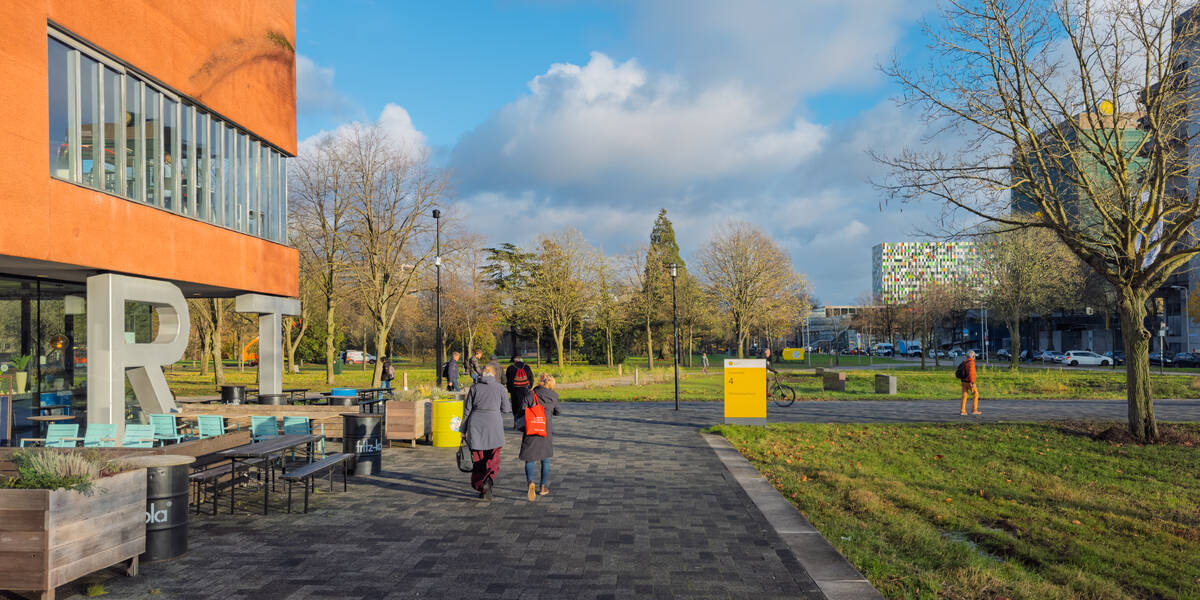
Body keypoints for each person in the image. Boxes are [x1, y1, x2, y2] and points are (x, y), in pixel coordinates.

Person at [461, 364, 511, 499]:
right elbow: (506, 409)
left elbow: (467, 411)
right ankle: (489, 478)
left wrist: (462, 429)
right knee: (494, 456)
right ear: (494, 375)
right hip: (494, 424)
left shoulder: (474, 388)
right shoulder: (500, 388)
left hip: (476, 425)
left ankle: (481, 485)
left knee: (478, 458)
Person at [520, 373, 561, 501]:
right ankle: (543, 487)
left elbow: (522, 410)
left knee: (530, 459)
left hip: (531, 429)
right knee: (545, 459)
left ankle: (530, 482)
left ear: (539, 382)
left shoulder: (530, 394)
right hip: (545, 430)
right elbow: (558, 411)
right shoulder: (553, 396)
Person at [505, 355, 535, 429]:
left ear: (514, 361)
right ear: (521, 360)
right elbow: (531, 379)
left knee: (515, 407)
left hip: (515, 391)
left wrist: (510, 390)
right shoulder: (527, 367)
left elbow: (508, 381)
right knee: (525, 407)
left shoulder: (510, 368)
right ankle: (525, 424)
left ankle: (516, 423)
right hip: (525, 390)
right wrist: (529, 387)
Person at [958, 350, 980, 415]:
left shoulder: (964, 362)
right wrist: (972, 382)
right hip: (969, 382)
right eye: (974, 356)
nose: (974, 357)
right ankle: (974, 410)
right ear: (973, 356)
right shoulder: (971, 362)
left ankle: (963, 411)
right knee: (975, 394)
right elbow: (971, 373)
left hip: (963, 381)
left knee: (964, 396)